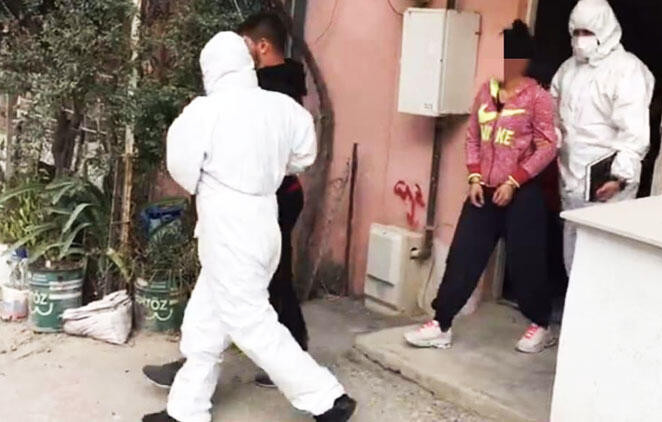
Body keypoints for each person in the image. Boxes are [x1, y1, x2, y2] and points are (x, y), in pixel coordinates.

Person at [142, 32, 355, 422]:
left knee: (251, 323)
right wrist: (267, 168)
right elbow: (303, 156)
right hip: (264, 219)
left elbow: (182, 169)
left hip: (228, 229)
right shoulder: (282, 107)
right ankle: (186, 409)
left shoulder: (204, 112)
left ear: (210, 68)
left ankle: (327, 398)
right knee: (206, 320)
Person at [142, 13, 309, 391]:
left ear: (262, 46)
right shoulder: (269, 88)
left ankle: (307, 378)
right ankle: (196, 370)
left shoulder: (269, 94)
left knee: (255, 290)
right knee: (237, 283)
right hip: (261, 199)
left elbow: (268, 152)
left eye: (244, 45)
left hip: (259, 202)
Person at [404, 20, 559, 354]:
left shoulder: (538, 98)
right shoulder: (486, 93)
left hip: (521, 194)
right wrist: (474, 176)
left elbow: (548, 146)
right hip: (483, 193)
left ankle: (541, 324)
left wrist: (515, 180)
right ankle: (441, 323)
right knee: (463, 257)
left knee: (526, 262)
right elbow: (473, 137)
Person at [551, 0, 655, 273]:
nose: (580, 39)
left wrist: (619, 178)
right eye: (576, 32)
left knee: (605, 257)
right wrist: (553, 139)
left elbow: (635, 133)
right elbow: (554, 113)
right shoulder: (568, 69)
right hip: (572, 178)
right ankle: (574, 299)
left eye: (587, 32)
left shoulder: (626, 70)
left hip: (607, 183)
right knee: (574, 252)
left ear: (605, 31)